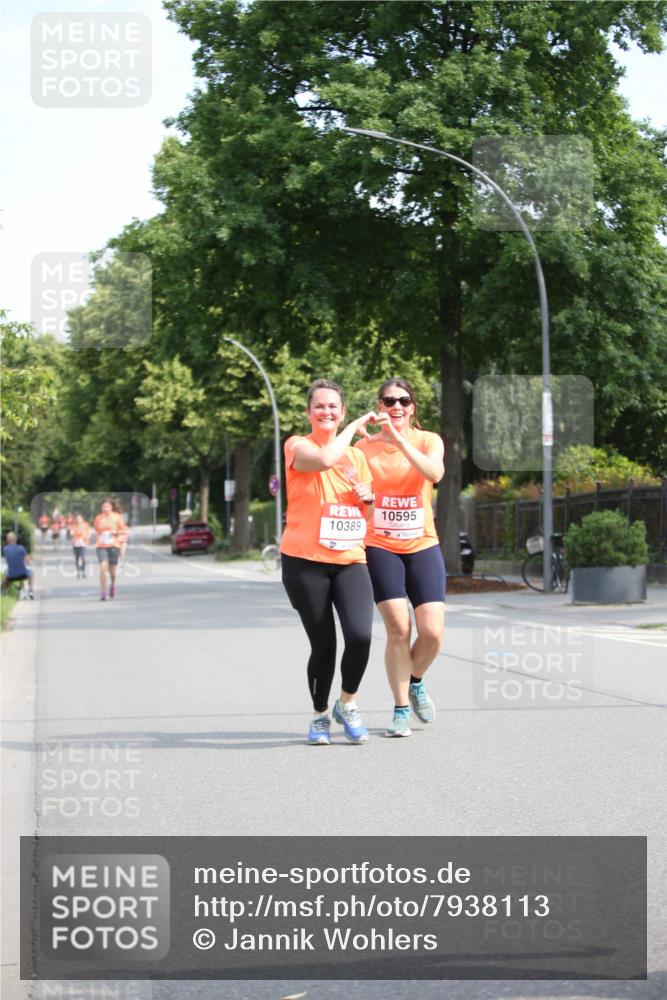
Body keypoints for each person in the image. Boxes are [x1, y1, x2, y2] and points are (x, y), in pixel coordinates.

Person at [280, 379, 377, 745]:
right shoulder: (297, 445)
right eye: (319, 406)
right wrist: (354, 428)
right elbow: (324, 460)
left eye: (333, 406)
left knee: (361, 635)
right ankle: (320, 714)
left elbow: (367, 517)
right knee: (324, 645)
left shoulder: (358, 459)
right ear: (309, 412)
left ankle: (347, 703)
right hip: (305, 561)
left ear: (342, 411)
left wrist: (368, 500)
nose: (326, 411)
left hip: (350, 558)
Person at [356, 377, 445, 737]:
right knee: (399, 628)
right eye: (389, 401)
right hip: (380, 544)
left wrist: (398, 439)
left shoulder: (428, 440)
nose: (396, 407)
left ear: (412, 407)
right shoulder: (364, 448)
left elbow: (434, 473)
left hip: (422, 543)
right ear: (379, 406)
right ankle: (400, 710)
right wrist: (364, 495)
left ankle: (415, 680)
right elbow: (356, 493)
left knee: (433, 634)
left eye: (403, 401)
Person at [93, 498, 126, 601]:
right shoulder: (98, 518)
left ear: (112, 507)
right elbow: (96, 530)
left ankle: (112, 584)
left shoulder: (117, 517)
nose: (106, 508)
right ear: (101, 508)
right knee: (103, 568)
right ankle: (103, 592)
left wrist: (115, 532)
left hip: (114, 546)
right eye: (104, 507)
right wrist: (100, 534)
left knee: (112, 573)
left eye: (108, 506)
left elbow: (123, 531)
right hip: (101, 546)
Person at [1, 531, 34, 598]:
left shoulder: (5, 549)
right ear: (16, 539)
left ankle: (3, 592)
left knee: (5, 573)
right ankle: (30, 590)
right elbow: (27, 561)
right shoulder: (21, 548)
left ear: (7, 540)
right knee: (31, 573)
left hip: (10, 575)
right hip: (23, 574)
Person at [71, 513, 90, 579]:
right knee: (77, 558)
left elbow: (87, 533)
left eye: (79, 519)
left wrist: (84, 536)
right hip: (76, 544)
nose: (78, 520)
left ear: (82, 519)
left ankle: (83, 571)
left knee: (82, 557)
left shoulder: (85, 525)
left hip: (83, 543)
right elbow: (72, 533)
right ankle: (78, 571)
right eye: (77, 519)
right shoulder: (73, 526)